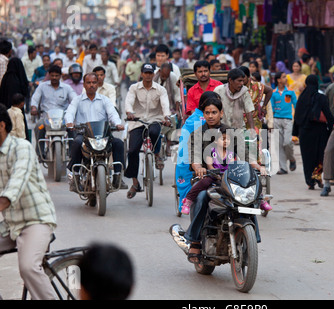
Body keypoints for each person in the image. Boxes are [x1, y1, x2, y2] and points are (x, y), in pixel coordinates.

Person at [184, 96, 261, 263]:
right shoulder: (197, 134)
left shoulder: (232, 132)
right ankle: (195, 240)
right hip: (206, 179)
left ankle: (253, 237)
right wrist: (199, 168)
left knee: (248, 197)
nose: (211, 116)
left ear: (221, 113)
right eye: (207, 112)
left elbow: (246, 155)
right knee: (203, 197)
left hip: (230, 179)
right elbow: (195, 158)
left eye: (214, 112)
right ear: (203, 114)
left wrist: (258, 167)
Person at [0, 104, 57, 300]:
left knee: (28, 267)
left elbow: (16, 183)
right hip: (10, 223)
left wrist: (2, 202)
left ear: (1, 126)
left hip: (36, 220)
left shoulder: (21, 148)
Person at [181, 125, 271, 215]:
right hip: (214, 175)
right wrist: (216, 174)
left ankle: (261, 199)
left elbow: (231, 166)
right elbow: (210, 166)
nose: (226, 141)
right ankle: (188, 201)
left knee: (249, 183)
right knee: (204, 182)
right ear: (216, 140)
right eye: (223, 139)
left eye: (228, 139)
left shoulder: (231, 153)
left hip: (227, 176)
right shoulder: (210, 152)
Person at [65, 72, 126, 192]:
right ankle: (75, 176)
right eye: (88, 82)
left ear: (98, 84)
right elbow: (70, 112)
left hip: (103, 135)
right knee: (76, 143)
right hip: (84, 135)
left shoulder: (104, 100)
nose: (91, 85)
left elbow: (112, 113)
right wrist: (69, 122)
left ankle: (118, 175)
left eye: (94, 82)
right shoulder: (77, 100)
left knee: (118, 143)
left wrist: (117, 124)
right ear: (84, 85)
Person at [124, 63, 171, 199]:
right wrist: (129, 112)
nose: (148, 75)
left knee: (156, 133)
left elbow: (165, 104)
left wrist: (166, 116)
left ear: (153, 74)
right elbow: (129, 101)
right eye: (146, 73)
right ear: (142, 74)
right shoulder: (134, 88)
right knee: (132, 151)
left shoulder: (160, 89)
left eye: (150, 73)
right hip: (137, 121)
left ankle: (156, 154)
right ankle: (135, 182)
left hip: (154, 120)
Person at [293, 74, 334, 189]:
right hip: (319, 132)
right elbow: (328, 114)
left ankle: (309, 182)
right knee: (319, 156)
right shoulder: (321, 98)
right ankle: (317, 177)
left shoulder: (301, 98)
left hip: (305, 132)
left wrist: (295, 132)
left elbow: (297, 117)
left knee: (307, 158)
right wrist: (332, 129)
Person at [31, 65, 77, 158]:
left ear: (60, 76)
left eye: (56, 75)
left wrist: (76, 107)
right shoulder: (42, 86)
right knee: (38, 127)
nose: (54, 78)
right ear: (49, 75)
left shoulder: (66, 88)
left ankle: (73, 152)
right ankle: (40, 153)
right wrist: (34, 108)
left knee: (72, 128)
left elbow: (75, 99)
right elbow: (35, 99)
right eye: (52, 75)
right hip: (46, 118)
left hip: (63, 118)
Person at [270, 71, 297, 175]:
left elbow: (296, 105)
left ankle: (292, 158)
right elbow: (271, 108)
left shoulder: (290, 92)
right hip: (276, 119)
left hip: (288, 119)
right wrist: (270, 122)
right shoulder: (273, 93)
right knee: (280, 144)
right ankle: (283, 168)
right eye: (284, 77)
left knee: (287, 142)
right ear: (278, 80)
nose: (286, 78)